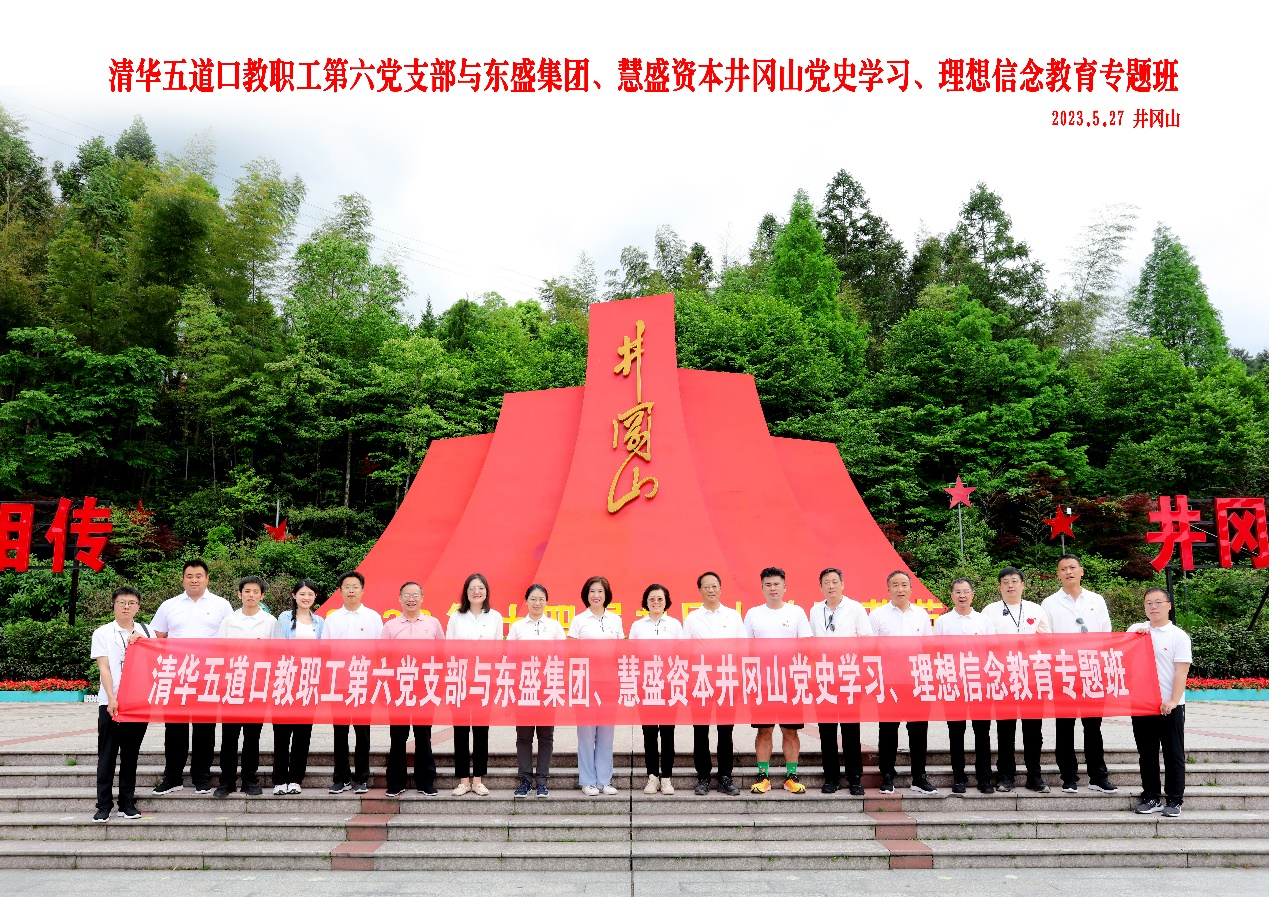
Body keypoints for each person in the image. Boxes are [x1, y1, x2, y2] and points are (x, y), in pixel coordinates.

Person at [151, 559, 232, 795]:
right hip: (177, 675)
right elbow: (157, 637)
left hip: (209, 675)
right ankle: (172, 777)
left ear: (207, 578)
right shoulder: (169, 605)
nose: (194, 580)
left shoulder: (221, 605)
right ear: (183, 579)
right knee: (174, 729)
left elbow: (231, 638)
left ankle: (201, 777)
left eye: (198, 576)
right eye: (189, 576)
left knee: (205, 729)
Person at [1041, 554, 1118, 794]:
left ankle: (1098, 776)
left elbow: (1106, 633)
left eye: (1072, 567)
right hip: (1063, 671)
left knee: (1093, 726)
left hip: (1091, 670)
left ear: (1081, 571)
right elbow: (1045, 637)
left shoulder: (1096, 599)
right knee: (1064, 726)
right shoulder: (1049, 603)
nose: (1068, 572)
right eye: (1063, 569)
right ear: (1058, 574)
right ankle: (1069, 777)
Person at [743, 567, 812, 795]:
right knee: (764, 730)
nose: (772, 588)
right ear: (762, 588)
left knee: (790, 730)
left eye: (776, 584)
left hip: (789, 682)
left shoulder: (796, 612)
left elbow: (807, 647)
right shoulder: (753, 614)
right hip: (763, 682)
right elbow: (746, 649)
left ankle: (791, 776)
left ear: (784, 587)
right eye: (768, 584)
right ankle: (763, 776)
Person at [981, 566, 1050, 793]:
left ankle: (1035, 776)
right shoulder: (989, 611)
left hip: (1031, 677)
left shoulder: (1035, 609)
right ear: (999, 587)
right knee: (1005, 729)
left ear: (1023, 585)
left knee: (1033, 730)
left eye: (1014, 581)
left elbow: (1048, 640)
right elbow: (983, 644)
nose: (1010, 585)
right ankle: (1006, 776)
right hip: (1003, 677)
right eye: (1005, 582)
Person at [869, 570, 936, 795]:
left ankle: (919, 777)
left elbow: (928, 648)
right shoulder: (877, 615)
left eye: (904, 585)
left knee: (918, 731)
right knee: (888, 730)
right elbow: (871, 651)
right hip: (889, 682)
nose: (900, 589)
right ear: (888, 589)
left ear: (911, 588)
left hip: (917, 681)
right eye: (895, 585)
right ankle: (887, 775)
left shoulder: (921, 614)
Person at [1128, 588, 1191, 817]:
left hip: (1170, 705)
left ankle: (1174, 800)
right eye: (1148, 603)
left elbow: (1181, 671)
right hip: (1142, 704)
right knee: (1147, 753)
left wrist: (1173, 700)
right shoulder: (1135, 630)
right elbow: (1124, 658)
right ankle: (1151, 797)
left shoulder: (1178, 636)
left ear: (1169, 605)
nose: (1153, 607)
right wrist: (1136, 639)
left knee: (1173, 754)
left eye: (1158, 602)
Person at [809, 566, 872, 796]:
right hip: (824, 677)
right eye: (826, 582)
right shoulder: (815, 610)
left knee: (850, 730)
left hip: (849, 675)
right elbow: (811, 643)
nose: (831, 585)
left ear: (842, 584)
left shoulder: (855, 608)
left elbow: (866, 641)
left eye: (835, 581)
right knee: (826, 730)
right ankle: (831, 777)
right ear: (820, 587)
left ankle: (855, 778)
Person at [91, 586, 152, 822]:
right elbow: (104, 668)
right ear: (113, 605)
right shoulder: (103, 632)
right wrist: (111, 698)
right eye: (121, 602)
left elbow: (156, 662)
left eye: (131, 603)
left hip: (138, 703)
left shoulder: (147, 631)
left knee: (130, 755)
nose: (126, 606)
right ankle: (103, 805)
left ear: (138, 606)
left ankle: (127, 803)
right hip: (111, 702)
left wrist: (144, 642)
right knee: (107, 755)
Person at [683, 571, 745, 796]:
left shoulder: (733, 616)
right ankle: (703, 777)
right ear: (700, 590)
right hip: (700, 681)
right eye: (706, 586)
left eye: (714, 586)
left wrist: (740, 677)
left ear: (720, 588)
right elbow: (685, 651)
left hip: (727, 680)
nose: (711, 590)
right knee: (700, 731)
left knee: (725, 730)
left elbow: (742, 648)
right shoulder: (692, 619)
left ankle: (725, 777)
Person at [214, 576, 277, 797]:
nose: (251, 595)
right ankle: (227, 781)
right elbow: (219, 651)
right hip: (232, 685)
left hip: (258, 685)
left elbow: (276, 653)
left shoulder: (270, 621)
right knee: (229, 736)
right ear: (239, 594)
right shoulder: (229, 621)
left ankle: (250, 779)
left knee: (252, 736)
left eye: (255, 591)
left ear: (262, 596)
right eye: (247, 591)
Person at [382, 581, 445, 798]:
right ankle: (396, 781)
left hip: (424, 686)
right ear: (399, 598)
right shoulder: (390, 626)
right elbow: (383, 657)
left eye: (415, 595)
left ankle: (425, 781)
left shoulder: (432, 623)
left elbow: (441, 654)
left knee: (423, 734)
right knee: (398, 735)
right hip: (398, 686)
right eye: (407, 595)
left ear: (422, 598)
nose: (411, 599)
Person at [324, 570, 384, 794]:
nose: (351, 591)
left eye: (355, 587)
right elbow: (326, 651)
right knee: (339, 732)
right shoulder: (332, 618)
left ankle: (361, 777)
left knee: (362, 731)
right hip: (339, 682)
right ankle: (341, 778)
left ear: (362, 590)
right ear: (340, 591)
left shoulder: (372, 617)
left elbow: (380, 650)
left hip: (363, 682)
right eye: (347, 587)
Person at [933, 578, 993, 794]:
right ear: (951, 596)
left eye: (966, 591)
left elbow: (992, 651)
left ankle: (984, 778)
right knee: (956, 732)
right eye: (957, 592)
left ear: (972, 595)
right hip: (953, 684)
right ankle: (959, 777)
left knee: (982, 732)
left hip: (979, 683)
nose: (962, 595)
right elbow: (936, 652)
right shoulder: (942, 622)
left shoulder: (984, 620)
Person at [446, 573, 504, 796]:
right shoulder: (456, 617)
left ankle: (478, 779)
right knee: (460, 730)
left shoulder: (495, 617)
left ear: (486, 591)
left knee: (481, 730)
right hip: (460, 679)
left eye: (480, 588)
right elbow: (448, 649)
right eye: (472, 588)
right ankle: (463, 780)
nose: (476, 592)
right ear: (466, 592)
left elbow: (498, 650)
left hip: (484, 680)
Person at [568, 575, 625, 796]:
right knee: (586, 733)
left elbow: (621, 652)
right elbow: (571, 654)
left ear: (606, 595)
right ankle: (587, 780)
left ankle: (604, 780)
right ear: (586, 594)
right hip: (586, 683)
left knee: (606, 734)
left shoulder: (615, 620)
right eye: (592, 591)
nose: (596, 595)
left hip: (609, 683)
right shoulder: (578, 620)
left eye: (600, 591)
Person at [507, 583, 565, 798]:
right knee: (523, 737)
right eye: (533, 599)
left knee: (545, 736)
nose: (537, 603)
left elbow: (562, 658)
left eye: (541, 599)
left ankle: (542, 780)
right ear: (526, 602)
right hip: (524, 687)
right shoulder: (517, 627)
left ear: (546, 602)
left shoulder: (555, 627)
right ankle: (524, 780)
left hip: (547, 687)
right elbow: (510, 658)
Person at [629, 583, 684, 795]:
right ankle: (652, 777)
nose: (656, 602)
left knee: (668, 732)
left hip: (669, 685)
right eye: (652, 598)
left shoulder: (675, 625)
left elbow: (681, 654)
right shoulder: (637, 626)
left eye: (660, 598)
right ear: (646, 602)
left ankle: (667, 777)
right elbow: (631, 655)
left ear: (666, 601)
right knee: (649, 733)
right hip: (646, 685)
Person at [271, 579, 324, 794]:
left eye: (310, 594)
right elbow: (278, 647)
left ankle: (295, 779)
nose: (306, 597)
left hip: (308, 681)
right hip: (285, 679)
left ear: (315, 597)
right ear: (294, 596)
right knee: (282, 733)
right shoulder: (284, 618)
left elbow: (323, 650)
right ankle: (279, 780)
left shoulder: (320, 621)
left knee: (303, 733)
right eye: (302, 593)